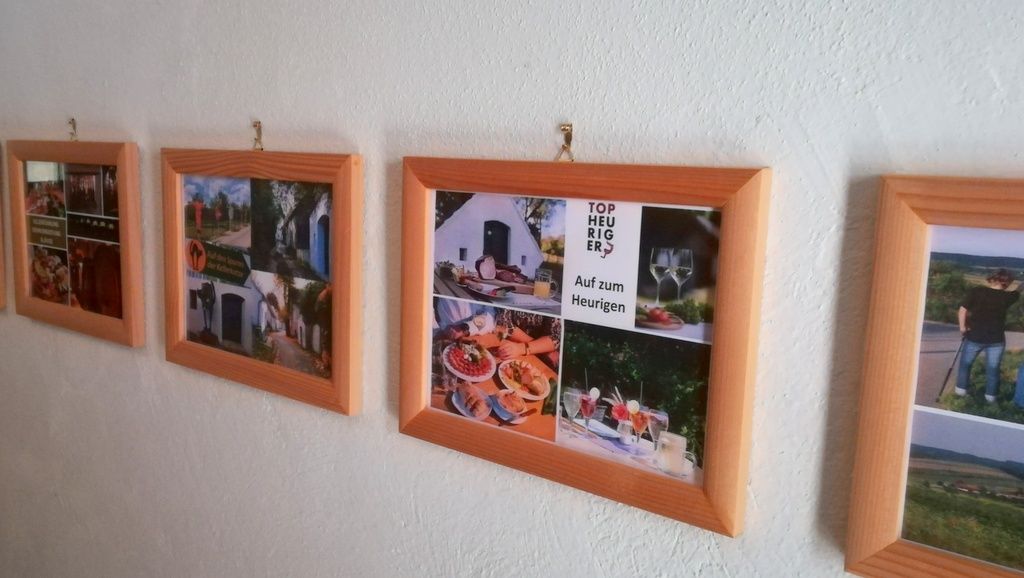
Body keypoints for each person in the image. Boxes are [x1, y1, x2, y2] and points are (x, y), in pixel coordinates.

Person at [956, 269, 1021, 403]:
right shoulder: (1007, 297)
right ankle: (991, 399)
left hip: (974, 336)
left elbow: (962, 310)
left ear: (993, 279)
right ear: (1007, 282)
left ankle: (960, 393)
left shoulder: (977, 291)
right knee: (993, 370)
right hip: (996, 340)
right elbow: (1019, 290)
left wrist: (963, 328)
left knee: (965, 365)